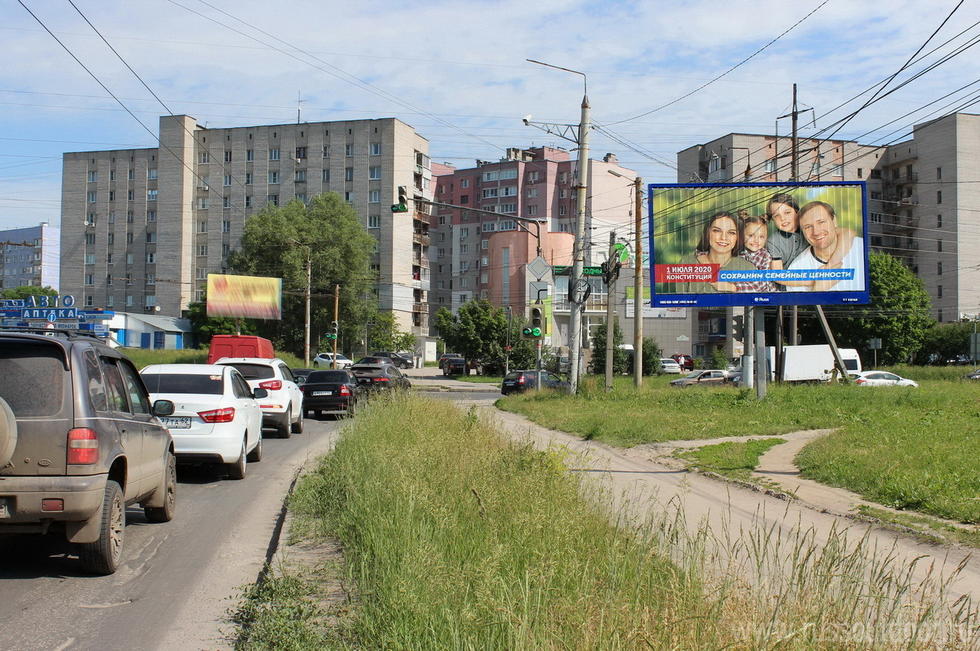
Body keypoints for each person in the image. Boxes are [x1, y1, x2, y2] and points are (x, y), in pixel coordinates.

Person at [786, 201, 865, 292]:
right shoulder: (796, 268)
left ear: (834, 221)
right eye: (808, 227)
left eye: (821, 222)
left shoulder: (861, 248)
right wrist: (818, 289)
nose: (816, 232)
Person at [673, 212, 755, 293]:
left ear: (738, 237)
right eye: (717, 231)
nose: (723, 237)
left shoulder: (748, 268)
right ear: (707, 233)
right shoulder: (686, 263)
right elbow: (679, 300)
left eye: (731, 232)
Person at [737, 215, 776, 292]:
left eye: (761, 237)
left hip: (765, 294)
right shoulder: (739, 254)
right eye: (751, 235)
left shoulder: (765, 256)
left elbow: (761, 285)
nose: (756, 240)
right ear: (742, 235)